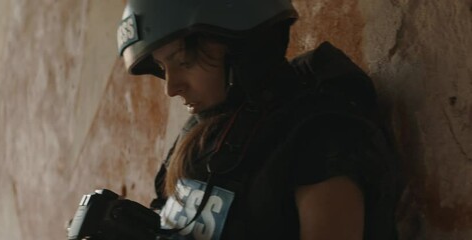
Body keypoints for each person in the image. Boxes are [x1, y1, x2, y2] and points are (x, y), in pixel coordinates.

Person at [116, 0, 402, 239]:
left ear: (242, 45)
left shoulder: (317, 132)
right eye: (163, 68)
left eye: (184, 62)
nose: (171, 87)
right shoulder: (205, 135)